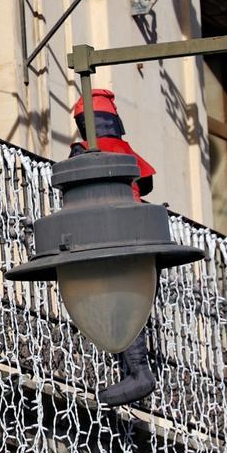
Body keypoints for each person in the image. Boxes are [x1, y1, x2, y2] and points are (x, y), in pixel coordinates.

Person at [71, 88, 158, 406]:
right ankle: (137, 369)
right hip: (138, 234)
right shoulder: (127, 151)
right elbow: (145, 182)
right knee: (132, 301)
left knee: (121, 302)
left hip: (111, 234)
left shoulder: (82, 151)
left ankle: (138, 372)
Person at [69, 89, 155, 199]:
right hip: (132, 208)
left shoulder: (81, 149)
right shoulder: (127, 150)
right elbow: (147, 185)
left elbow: (72, 180)